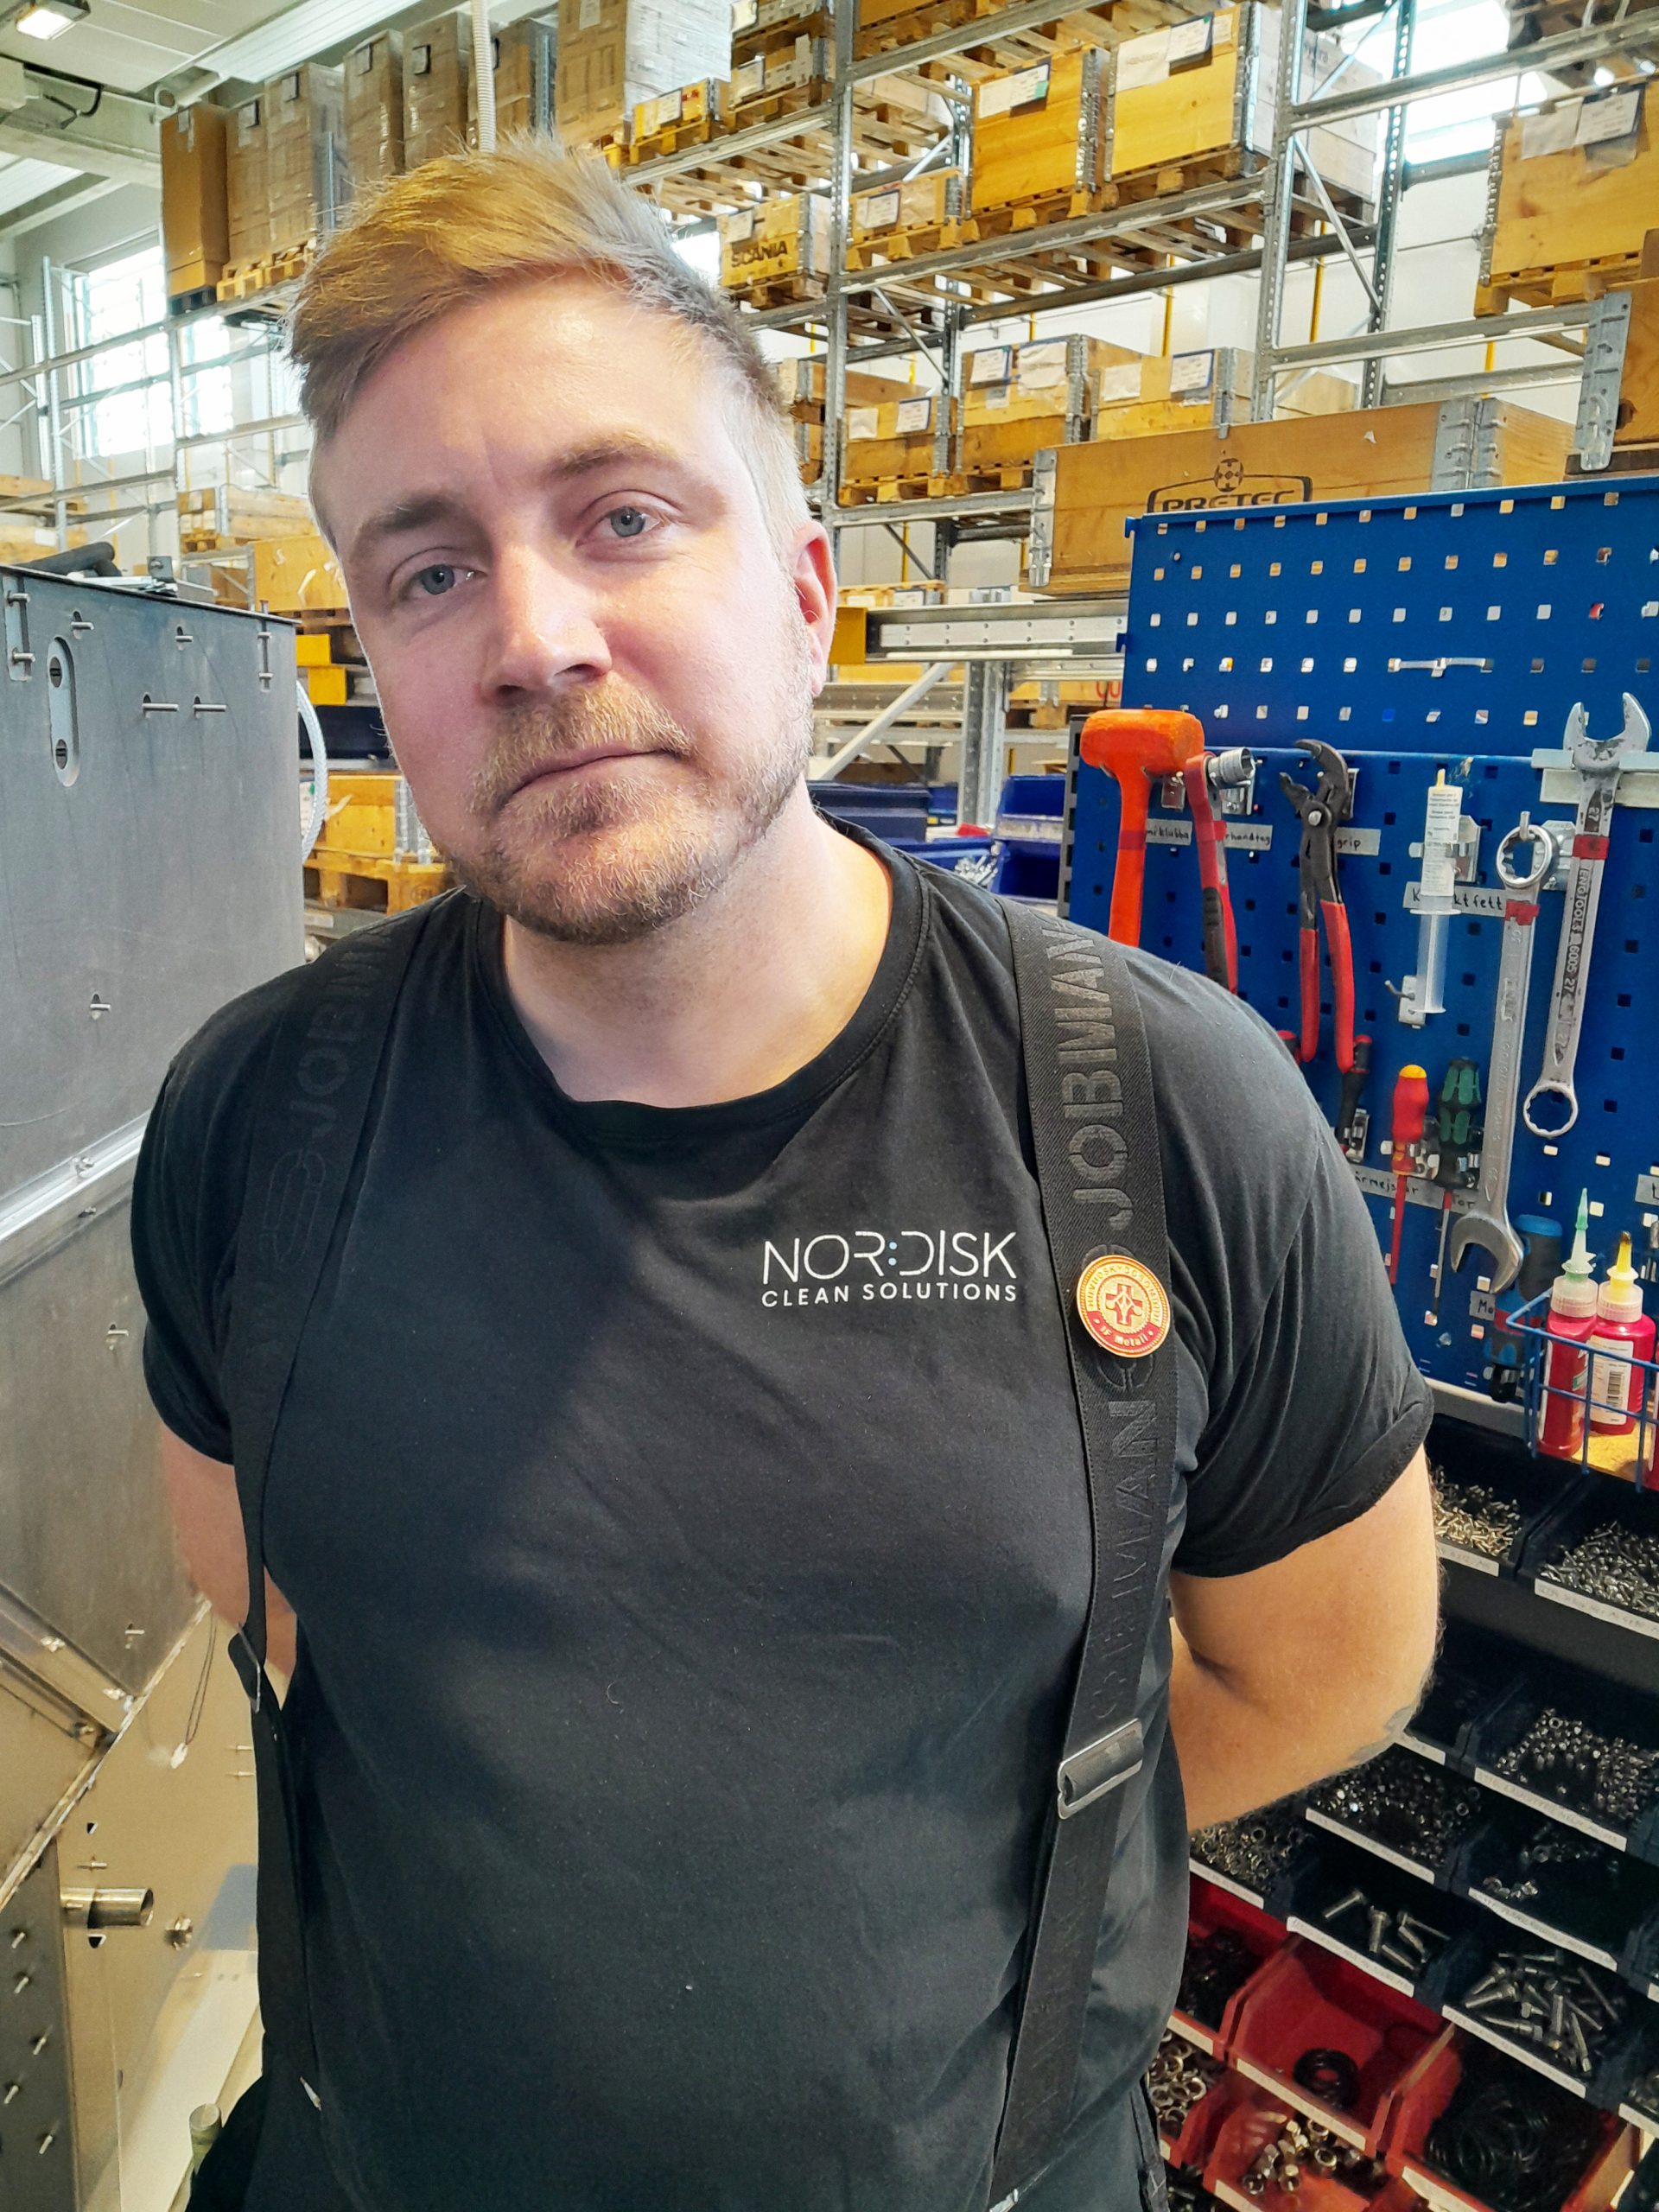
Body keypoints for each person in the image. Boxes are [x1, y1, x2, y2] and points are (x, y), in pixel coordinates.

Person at [132, 143, 1439, 2212]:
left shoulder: (1166, 1112)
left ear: (809, 591)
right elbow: (273, 1596)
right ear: (374, 661)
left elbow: (1325, 1669)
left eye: (623, 516)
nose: (535, 638)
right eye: (429, 571)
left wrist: (931, 1870)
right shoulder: (254, 1119)